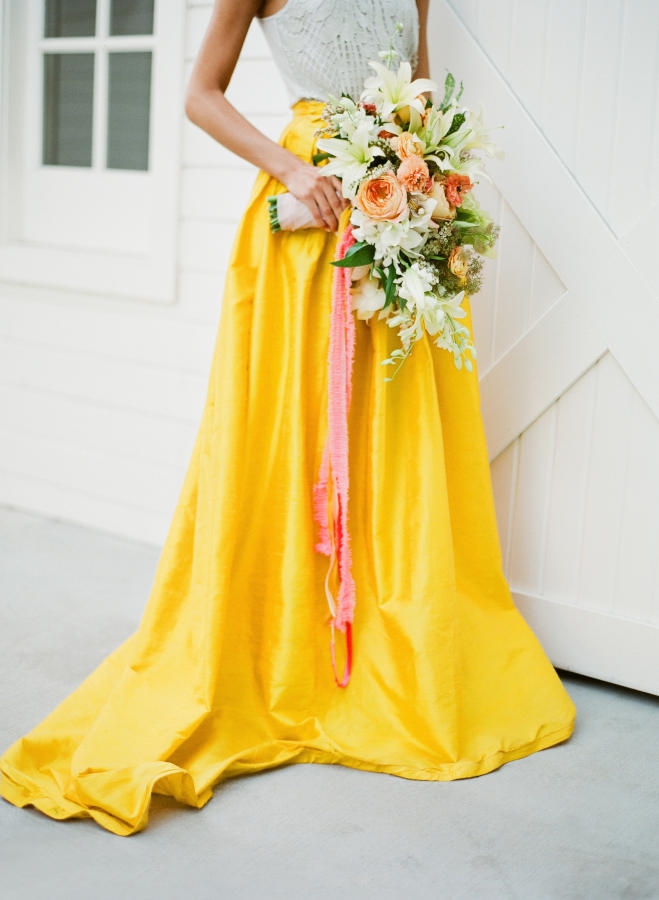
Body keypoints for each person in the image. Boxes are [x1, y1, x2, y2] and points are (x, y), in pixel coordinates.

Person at [0, 0, 576, 837]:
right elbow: (202, 94)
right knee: (291, 426)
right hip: (308, 217)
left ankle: (388, 637)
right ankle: (284, 644)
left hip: (399, 204)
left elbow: (413, 83)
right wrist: (291, 169)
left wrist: (425, 177)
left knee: (396, 426)